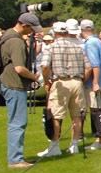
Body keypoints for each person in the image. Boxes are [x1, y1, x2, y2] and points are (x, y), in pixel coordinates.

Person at [38, 19, 90, 157]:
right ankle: (74, 145)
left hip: (60, 81)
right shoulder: (78, 47)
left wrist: (46, 82)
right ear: (67, 32)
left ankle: (54, 145)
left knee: (56, 115)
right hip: (77, 81)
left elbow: (44, 66)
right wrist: (82, 81)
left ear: (54, 33)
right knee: (77, 115)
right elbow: (88, 67)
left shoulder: (51, 47)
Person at [0, 12, 44, 168]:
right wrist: (33, 77)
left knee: (17, 121)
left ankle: (17, 157)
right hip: (14, 84)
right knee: (18, 122)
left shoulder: (8, 35)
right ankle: (15, 160)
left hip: (9, 83)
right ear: (24, 25)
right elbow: (19, 68)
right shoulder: (16, 42)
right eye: (31, 29)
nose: (33, 32)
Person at [80, 18, 101, 150]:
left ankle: (100, 141)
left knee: (97, 111)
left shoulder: (89, 44)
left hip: (97, 82)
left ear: (82, 30)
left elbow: (94, 65)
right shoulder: (98, 41)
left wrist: (94, 82)